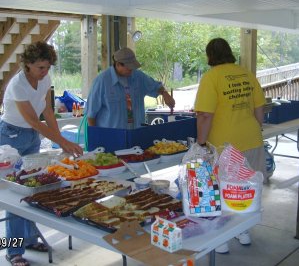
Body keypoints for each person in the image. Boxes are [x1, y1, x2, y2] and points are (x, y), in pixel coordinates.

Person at [0, 41, 83, 266]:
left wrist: (61, 142)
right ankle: (13, 249)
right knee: (14, 195)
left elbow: (48, 111)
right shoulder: (18, 84)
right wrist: (62, 141)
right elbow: (34, 120)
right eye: (40, 67)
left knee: (33, 190)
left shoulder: (45, 79)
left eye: (47, 67)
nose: (44, 72)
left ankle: (29, 239)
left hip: (31, 136)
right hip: (11, 137)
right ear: (27, 64)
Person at [194, 37, 266, 254]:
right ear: (230, 52)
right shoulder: (246, 74)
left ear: (210, 56)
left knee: (222, 191)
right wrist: (254, 129)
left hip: (225, 147)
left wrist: (201, 143)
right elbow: (259, 108)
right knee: (246, 189)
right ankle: (243, 231)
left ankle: (221, 239)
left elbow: (205, 115)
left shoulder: (212, 77)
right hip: (251, 139)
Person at [86, 47, 175, 129]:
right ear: (118, 64)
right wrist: (96, 137)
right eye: (129, 68)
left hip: (136, 133)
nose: (131, 70)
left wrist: (165, 94)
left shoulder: (139, 77)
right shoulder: (102, 81)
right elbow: (91, 115)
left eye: (133, 67)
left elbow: (156, 87)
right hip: (112, 137)